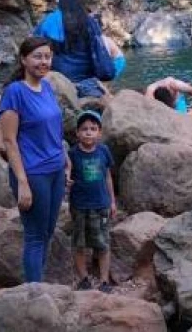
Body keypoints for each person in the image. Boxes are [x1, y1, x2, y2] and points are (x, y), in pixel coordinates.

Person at [0, 36, 70, 284]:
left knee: (48, 231)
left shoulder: (47, 87)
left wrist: (65, 158)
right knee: (35, 236)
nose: (43, 62)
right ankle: (34, 293)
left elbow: (54, 129)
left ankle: (37, 282)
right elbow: (9, 141)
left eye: (47, 57)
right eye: (37, 56)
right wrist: (22, 182)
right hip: (32, 172)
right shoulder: (15, 92)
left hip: (55, 169)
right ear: (24, 59)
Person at [68, 110, 116, 293]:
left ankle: (104, 280)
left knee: (103, 243)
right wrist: (67, 182)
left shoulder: (104, 151)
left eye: (93, 129)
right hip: (79, 206)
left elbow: (108, 177)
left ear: (100, 133)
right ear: (77, 133)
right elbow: (67, 175)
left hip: (101, 205)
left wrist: (112, 202)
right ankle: (84, 278)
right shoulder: (72, 154)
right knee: (79, 243)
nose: (88, 132)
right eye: (84, 129)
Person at [33, 0, 112, 98]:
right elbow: (99, 51)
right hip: (87, 79)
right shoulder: (90, 23)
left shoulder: (50, 22)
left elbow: (33, 44)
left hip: (59, 78)